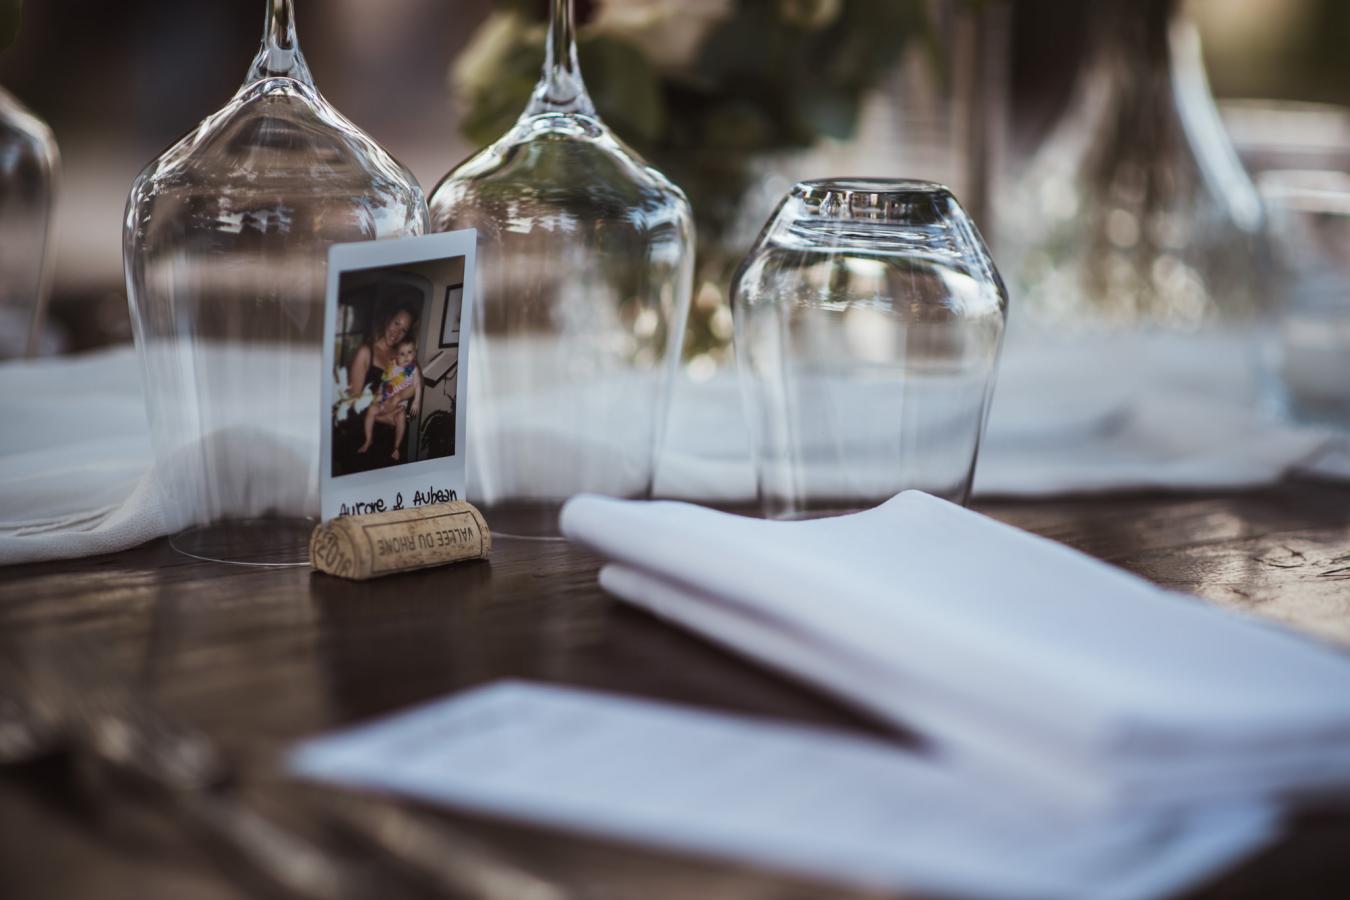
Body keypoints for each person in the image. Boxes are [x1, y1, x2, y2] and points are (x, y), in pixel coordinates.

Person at [358, 338, 422, 461]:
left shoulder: (414, 369)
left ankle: (396, 447)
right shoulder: (392, 366)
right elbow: (385, 382)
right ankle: (368, 439)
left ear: (414, 353)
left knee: (401, 417)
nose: (406, 357)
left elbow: (417, 385)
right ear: (396, 356)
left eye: (410, 352)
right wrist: (380, 395)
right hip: (385, 398)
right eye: (402, 354)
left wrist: (416, 401)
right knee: (371, 410)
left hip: (400, 404)